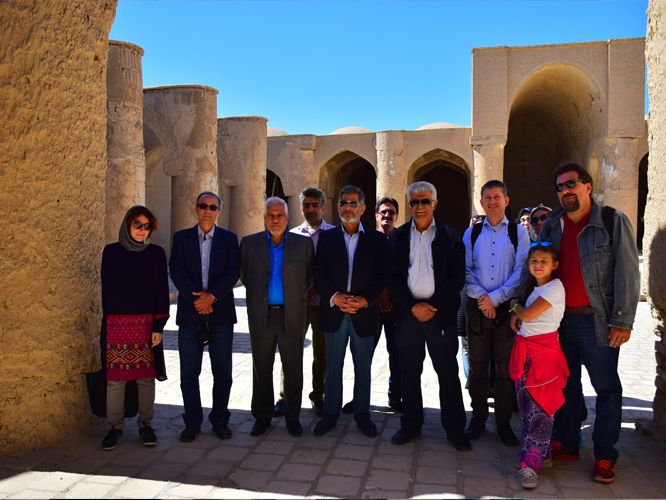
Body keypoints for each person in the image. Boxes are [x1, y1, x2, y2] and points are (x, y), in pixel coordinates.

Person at [540, 162, 640, 484]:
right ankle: (567, 442)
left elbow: (628, 273)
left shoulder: (611, 221)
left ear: (587, 186)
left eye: (571, 184)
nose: (565, 191)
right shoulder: (552, 226)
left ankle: (606, 456)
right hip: (560, 322)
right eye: (560, 187)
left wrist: (622, 321)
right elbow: (540, 268)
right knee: (567, 387)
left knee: (607, 390)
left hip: (597, 322)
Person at [387, 182, 471, 451]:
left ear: (435, 204)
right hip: (408, 315)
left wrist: (432, 305)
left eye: (424, 201)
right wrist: (412, 305)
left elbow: (456, 277)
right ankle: (410, 424)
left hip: (440, 315)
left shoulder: (449, 236)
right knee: (409, 371)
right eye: (414, 202)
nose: (419, 207)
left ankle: (455, 429)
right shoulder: (399, 236)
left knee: (447, 372)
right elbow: (393, 277)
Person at [312, 185, 385, 438]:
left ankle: (362, 414)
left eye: (353, 203)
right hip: (334, 312)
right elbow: (318, 272)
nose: (348, 208)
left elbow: (381, 277)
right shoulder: (327, 238)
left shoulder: (376, 239)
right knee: (333, 365)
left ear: (363, 208)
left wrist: (365, 300)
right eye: (343, 203)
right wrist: (335, 297)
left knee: (362, 365)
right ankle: (330, 413)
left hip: (364, 313)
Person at [463, 180, 530, 447]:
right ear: (481, 202)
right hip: (477, 308)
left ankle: (502, 424)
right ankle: (478, 418)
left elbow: (521, 271)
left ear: (506, 200)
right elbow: (466, 269)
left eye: (497, 197)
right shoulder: (472, 234)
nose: (492, 202)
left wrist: (495, 299)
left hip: (505, 310)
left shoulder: (517, 233)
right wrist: (483, 298)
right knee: (478, 369)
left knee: (505, 371)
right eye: (487, 198)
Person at [169, 192, 240, 443]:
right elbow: (176, 269)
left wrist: (212, 297)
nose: (207, 210)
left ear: (218, 211)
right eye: (203, 206)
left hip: (220, 314)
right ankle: (192, 422)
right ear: (196, 209)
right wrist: (196, 298)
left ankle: (220, 420)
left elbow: (233, 272)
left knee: (223, 372)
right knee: (189, 373)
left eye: (212, 207)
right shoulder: (181, 238)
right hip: (190, 313)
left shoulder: (229, 239)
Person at [240, 197, 314, 437]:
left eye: (279, 215)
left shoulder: (303, 244)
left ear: (288, 218)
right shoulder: (249, 244)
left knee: (293, 367)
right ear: (263, 218)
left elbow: (309, 277)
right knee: (261, 367)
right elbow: (245, 275)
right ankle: (262, 417)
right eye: (270, 215)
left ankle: (293, 417)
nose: (275, 219)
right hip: (262, 315)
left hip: (291, 315)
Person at [100, 205, 170, 451]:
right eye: (137, 224)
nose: (142, 230)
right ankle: (115, 427)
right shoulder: (111, 252)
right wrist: (108, 323)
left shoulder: (156, 254)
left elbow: (161, 291)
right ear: (127, 225)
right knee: (115, 381)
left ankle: (145, 425)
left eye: (146, 226)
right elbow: (105, 288)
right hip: (117, 324)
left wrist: (158, 325)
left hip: (145, 325)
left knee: (145, 378)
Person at [508, 242, 569, 489]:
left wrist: (515, 307)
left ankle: (530, 465)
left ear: (555, 265)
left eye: (544, 261)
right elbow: (524, 316)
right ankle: (542, 455)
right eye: (534, 261)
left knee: (540, 412)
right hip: (528, 354)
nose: (538, 265)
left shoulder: (554, 288)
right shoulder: (537, 289)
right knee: (528, 409)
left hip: (543, 358)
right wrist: (518, 312)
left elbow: (527, 315)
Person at [341, 196, 402, 414]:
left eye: (391, 212)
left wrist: (389, 296)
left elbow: (401, 274)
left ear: (397, 216)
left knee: (397, 355)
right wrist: (379, 297)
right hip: (372, 308)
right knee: (363, 355)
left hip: (395, 308)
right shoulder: (368, 239)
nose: (387, 216)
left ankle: (396, 397)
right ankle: (359, 398)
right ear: (376, 215)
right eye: (383, 212)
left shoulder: (402, 239)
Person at [279, 187, 335, 418]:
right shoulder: (291, 235)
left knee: (322, 354)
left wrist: (319, 288)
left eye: (315, 205)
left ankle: (318, 396)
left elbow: (336, 269)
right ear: (300, 208)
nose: (310, 209)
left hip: (323, 305)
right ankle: (285, 397)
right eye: (306, 205)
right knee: (290, 352)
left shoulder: (333, 234)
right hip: (297, 305)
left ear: (323, 207)